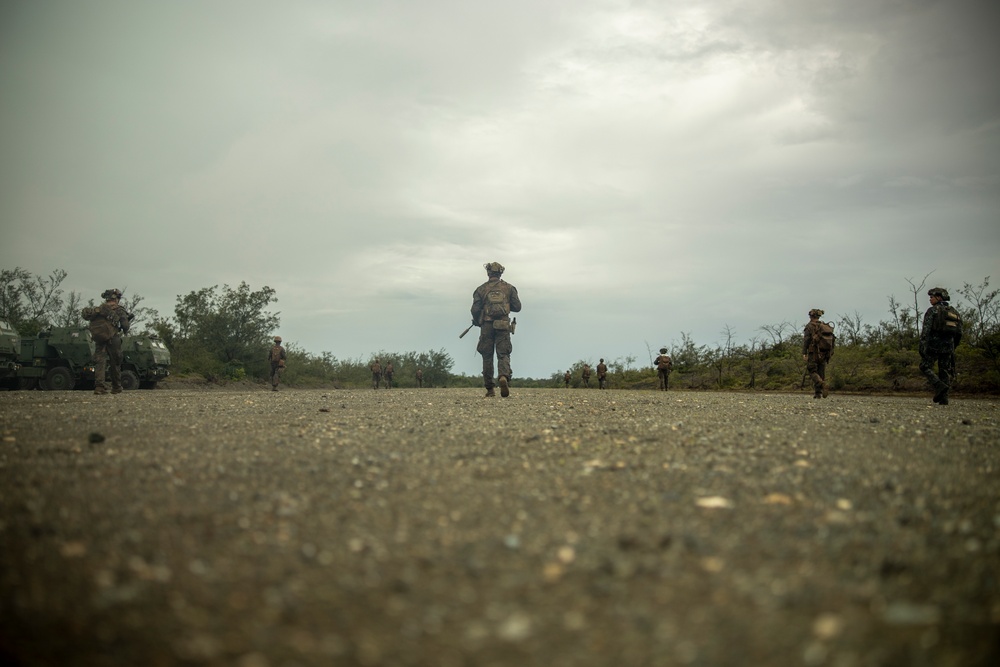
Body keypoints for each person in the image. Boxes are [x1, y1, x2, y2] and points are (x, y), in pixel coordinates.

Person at [471, 262, 521, 397]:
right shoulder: (509, 288)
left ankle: (490, 389)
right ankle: (503, 377)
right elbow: (517, 307)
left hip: (486, 326)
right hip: (503, 325)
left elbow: (475, 309)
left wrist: (477, 321)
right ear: (500, 273)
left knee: (487, 356)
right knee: (503, 354)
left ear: (488, 273)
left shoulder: (480, 289)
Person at [81, 288, 131, 395]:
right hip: (113, 338)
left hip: (99, 338)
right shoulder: (119, 310)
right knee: (115, 362)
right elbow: (125, 326)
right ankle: (116, 387)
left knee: (100, 361)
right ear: (116, 299)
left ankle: (99, 387)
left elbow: (87, 316)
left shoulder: (98, 309)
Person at [920, 287, 963, 405]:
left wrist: (923, 346)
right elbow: (959, 333)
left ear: (939, 297)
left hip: (933, 345)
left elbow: (926, 331)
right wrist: (954, 347)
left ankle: (938, 385)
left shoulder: (932, 311)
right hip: (949, 346)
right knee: (944, 371)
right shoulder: (954, 312)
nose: (930, 299)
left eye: (931, 297)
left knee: (924, 366)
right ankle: (944, 399)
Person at [802, 309, 835, 398]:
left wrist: (804, 353)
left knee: (812, 370)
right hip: (824, 353)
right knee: (821, 372)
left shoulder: (809, 326)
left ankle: (821, 384)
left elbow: (806, 340)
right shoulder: (824, 326)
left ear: (811, 316)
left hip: (814, 352)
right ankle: (818, 393)